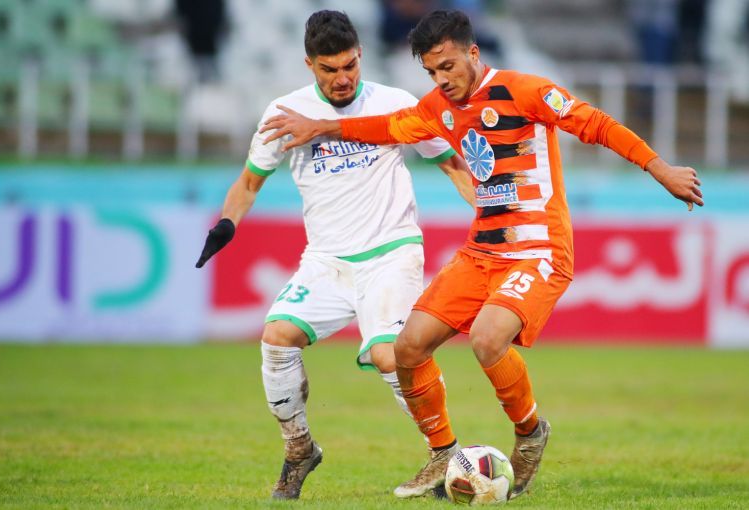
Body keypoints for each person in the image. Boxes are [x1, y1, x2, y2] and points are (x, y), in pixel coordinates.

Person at [260, 9, 704, 500]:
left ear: (473, 53)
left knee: (488, 338)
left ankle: (530, 433)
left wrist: (660, 168)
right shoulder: (437, 108)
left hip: (538, 247)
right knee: (408, 348)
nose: (441, 79)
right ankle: (441, 453)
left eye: (448, 66)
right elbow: (386, 127)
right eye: (432, 71)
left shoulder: (524, 90)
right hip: (481, 251)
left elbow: (595, 123)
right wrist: (321, 126)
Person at [194, 10, 473, 500]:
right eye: (329, 69)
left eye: (349, 66)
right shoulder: (285, 112)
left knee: (390, 356)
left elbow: (451, 163)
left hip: (391, 252)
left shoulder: (394, 103)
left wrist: (490, 212)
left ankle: (445, 453)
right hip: (325, 260)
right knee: (277, 337)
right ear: (310, 65)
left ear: (360, 55)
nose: (342, 78)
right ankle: (299, 449)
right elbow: (249, 182)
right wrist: (227, 223)